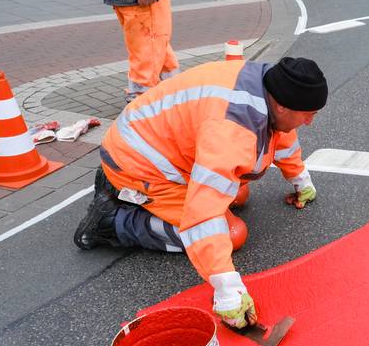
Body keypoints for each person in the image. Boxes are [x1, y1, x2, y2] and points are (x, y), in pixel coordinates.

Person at [74, 57, 326, 330]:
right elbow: (202, 214)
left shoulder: (270, 87)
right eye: (308, 113)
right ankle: (113, 221)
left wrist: (300, 180)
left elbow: (283, 135)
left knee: (238, 195)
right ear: (282, 105)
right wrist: (228, 291)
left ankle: (125, 192)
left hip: (155, 145)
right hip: (138, 164)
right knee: (232, 234)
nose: (310, 121)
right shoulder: (232, 131)